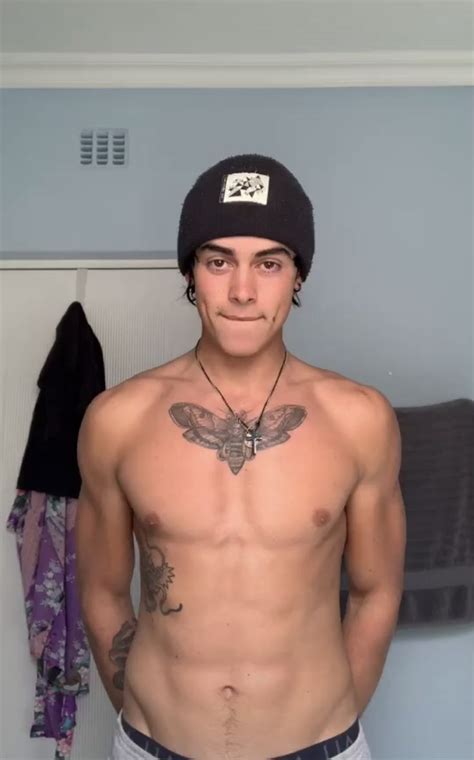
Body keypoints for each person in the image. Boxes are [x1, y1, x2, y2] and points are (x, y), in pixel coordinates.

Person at [76, 154, 406, 760]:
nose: (243, 291)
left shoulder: (359, 419)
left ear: (298, 276)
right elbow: (101, 590)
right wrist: (143, 712)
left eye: (269, 263)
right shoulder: (117, 420)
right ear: (191, 271)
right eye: (219, 261)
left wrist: (331, 724)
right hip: (154, 745)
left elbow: (375, 591)